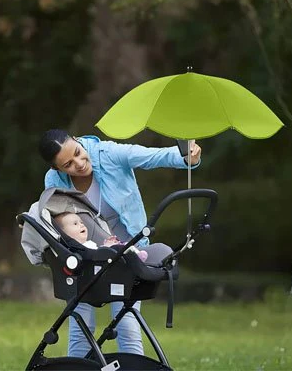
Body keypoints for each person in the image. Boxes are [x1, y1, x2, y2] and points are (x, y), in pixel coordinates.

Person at [38, 129, 201, 357]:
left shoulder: (108, 153)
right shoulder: (53, 180)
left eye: (77, 152)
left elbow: (149, 157)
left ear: (77, 140)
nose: (79, 164)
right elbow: (57, 223)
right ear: (57, 169)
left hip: (128, 250)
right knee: (80, 324)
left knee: (126, 323)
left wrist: (185, 157)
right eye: (68, 165)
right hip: (85, 256)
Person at [54, 211, 148, 261]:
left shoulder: (88, 243)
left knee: (122, 245)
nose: (81, 225)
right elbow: (96, 255)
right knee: (118, 248)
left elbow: (97, 251)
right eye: (75, 224)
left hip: (105, 260)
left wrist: (107, 244)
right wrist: (107, 247)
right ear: (63, 233)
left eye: (81, 222)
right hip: (101, 265)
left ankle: (136, 255)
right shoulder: (75, 250)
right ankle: (136, 257)